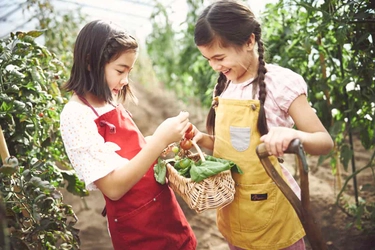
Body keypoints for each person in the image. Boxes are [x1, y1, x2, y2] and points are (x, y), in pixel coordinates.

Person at [192, 1, 334, 249]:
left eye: (219, 57)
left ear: (249, 41)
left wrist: (291, 134)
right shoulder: (223, 86)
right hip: (234, 211)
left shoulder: (281, 83)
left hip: (273, 212)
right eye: (208, 60)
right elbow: (229, 151)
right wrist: (199, 138)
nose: (215, 66)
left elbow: (324, 142)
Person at [59, 20, 197, 250]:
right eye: (120, 70)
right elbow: (113, 188)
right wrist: (160, 139)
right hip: (138, 231)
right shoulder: (76, 115)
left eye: (129, 72)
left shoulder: (108, 100)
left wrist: (162, 139)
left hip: (164, 212)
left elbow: (128, 154)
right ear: (90, 63)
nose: (125, 80)